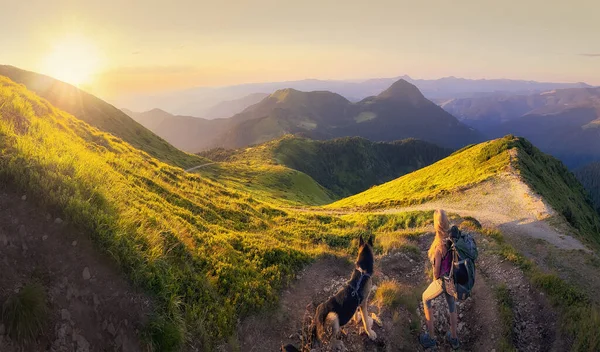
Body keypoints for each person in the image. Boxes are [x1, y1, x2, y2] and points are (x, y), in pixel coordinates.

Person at [419, 209, 460, 350]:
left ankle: (431, 339)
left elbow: (436, 274)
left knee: (425, 298)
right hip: (452, 279)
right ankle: (454, 339)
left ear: (436, 225)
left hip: (442, 281)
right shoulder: (452, 237)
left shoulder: (438, 247)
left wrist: (434, 274)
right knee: (452, 306)